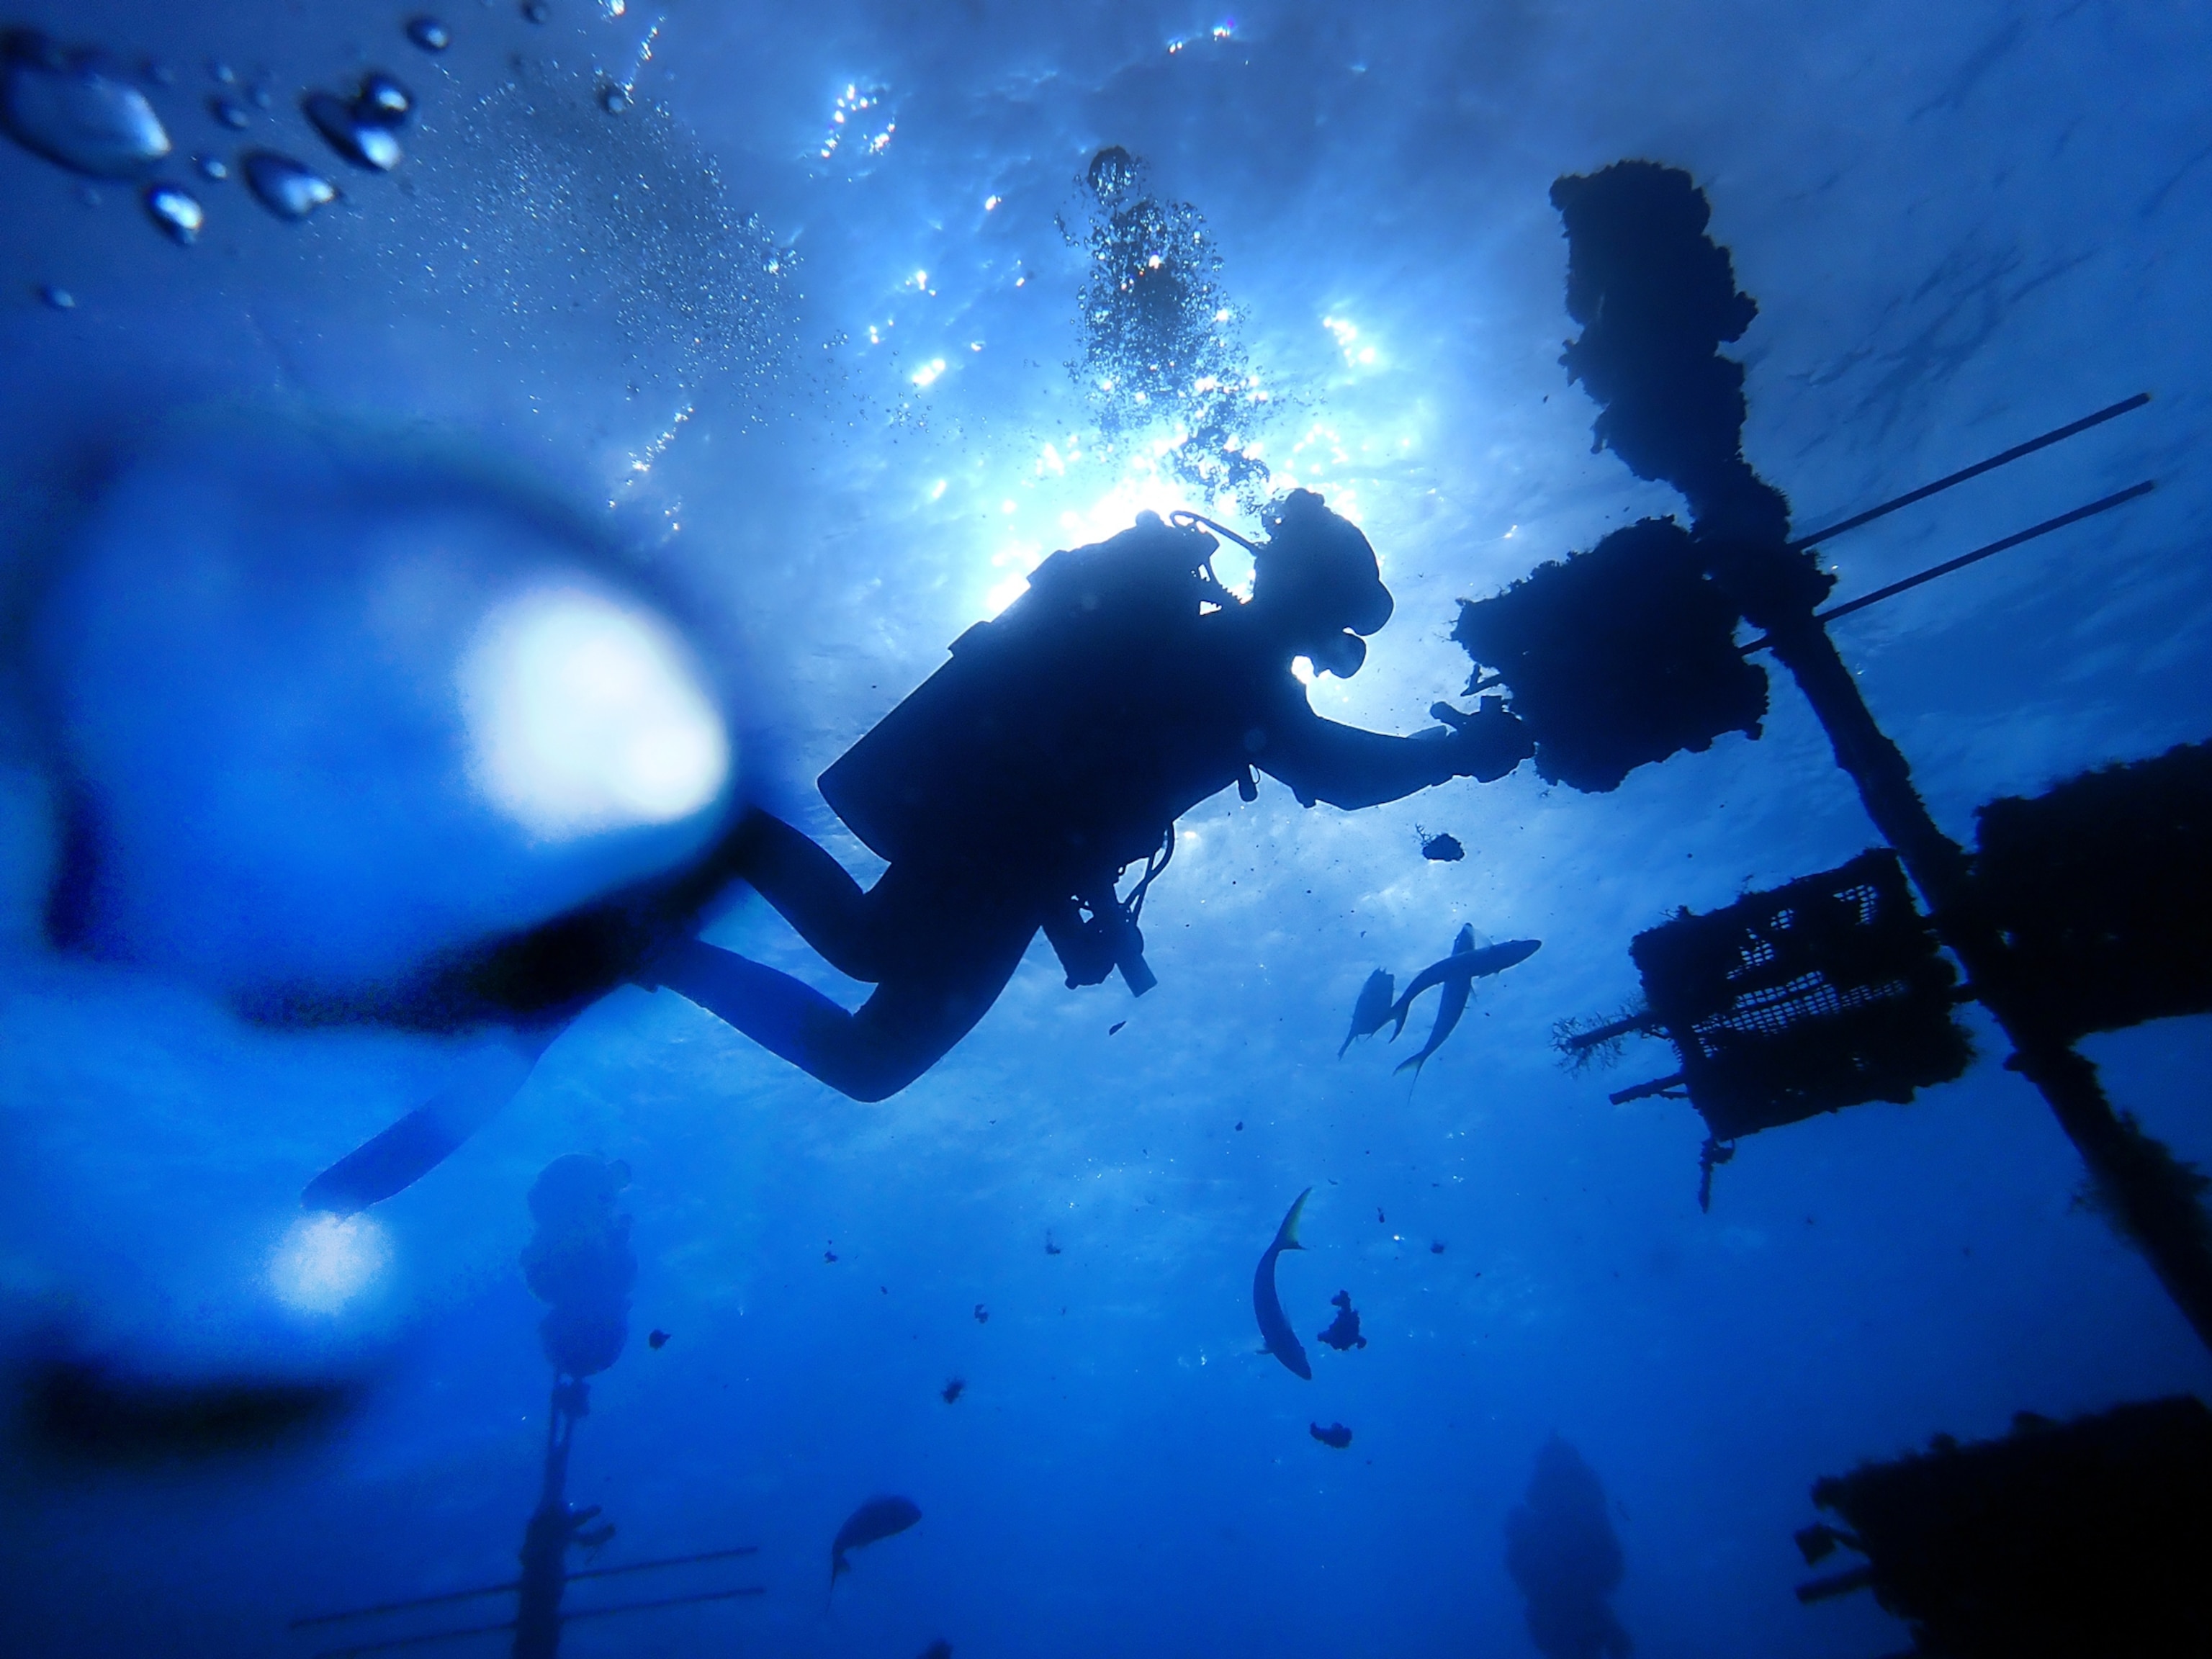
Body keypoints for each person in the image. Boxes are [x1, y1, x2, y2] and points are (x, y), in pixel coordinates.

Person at [636, 490, 1532, 1100]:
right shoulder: (1242, 675)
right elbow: (1341, 775)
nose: (1335, 638)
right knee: (869, 1021)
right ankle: (690, 878)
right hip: (1008, 838)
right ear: (1309, 597)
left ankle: (690, 880)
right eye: (1339, 610)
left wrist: (1085, 913)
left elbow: (1121, 781)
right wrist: (1451, 754)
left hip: (1013, 843)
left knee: (868, 993)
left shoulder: (1226, 660)